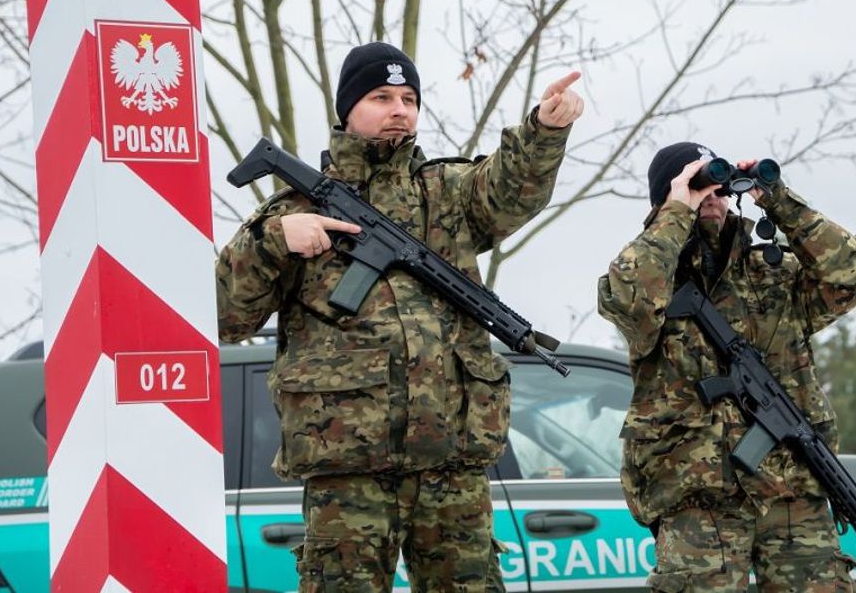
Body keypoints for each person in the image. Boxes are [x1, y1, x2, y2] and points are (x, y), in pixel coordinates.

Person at [216, 41, 583, 592]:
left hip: (451, 464)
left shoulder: (447, 193)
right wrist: (273, 241)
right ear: (347, 111)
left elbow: (509, 190)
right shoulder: (295, 212)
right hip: (349, 470)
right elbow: (226, 318)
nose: (399, 109)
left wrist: (543, 131)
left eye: (409, 98)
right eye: (381, 96)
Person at [597, 141, 856, 592]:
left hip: (792, 489)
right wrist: (676, 211)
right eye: (697, 188)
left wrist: (779, 200)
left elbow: (854, 272)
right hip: (699, 497)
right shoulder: (652, 275)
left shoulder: (772, 272)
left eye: (718, 189)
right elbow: (627, 299)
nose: (712, 199)